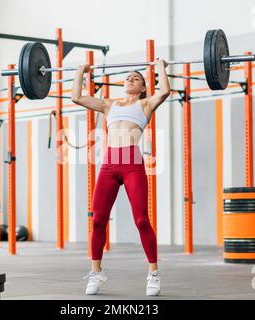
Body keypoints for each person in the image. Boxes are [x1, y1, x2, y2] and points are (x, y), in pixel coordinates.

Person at [71, 59, 170, 296]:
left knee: (141, 220)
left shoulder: (146, 104)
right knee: (97, 220)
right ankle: (96, 272)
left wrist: (160, 67)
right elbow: (77, 98)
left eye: (136, 78)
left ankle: (153, 274)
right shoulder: (109, 104)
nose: (130, 79)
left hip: (132, 164)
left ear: (144, 88)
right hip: (109, 165)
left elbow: (165, 91)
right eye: (128, 77)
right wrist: (79, 72)